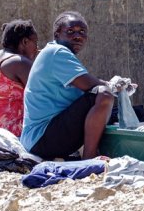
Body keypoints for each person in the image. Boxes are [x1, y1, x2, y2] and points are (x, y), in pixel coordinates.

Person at [21, 11, 114, 159]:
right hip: (42, 138)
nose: (78, 36)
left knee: (110, 107)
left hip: (40, 140)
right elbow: (90, 84)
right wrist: (114, 85)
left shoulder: (57, 53)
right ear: (57, 35)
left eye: (82, 32)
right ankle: (89, 158)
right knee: (105, 95)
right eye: (70, 31)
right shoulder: (57, 52)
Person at [0, 20, 39, 136]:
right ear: (24, 41)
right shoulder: (20, 62)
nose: (37, 48)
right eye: (35, 42)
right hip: (8, 134)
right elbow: (40, 97)